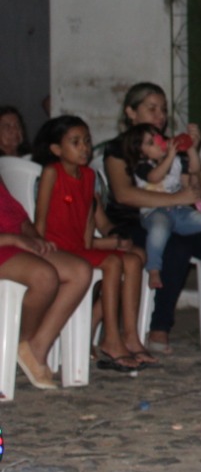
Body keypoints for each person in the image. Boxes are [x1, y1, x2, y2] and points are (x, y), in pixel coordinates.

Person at [100, 82, 201, 352]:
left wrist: (193, 149)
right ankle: (159, 326)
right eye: (152, 108)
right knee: (176, 247)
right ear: (131, 112)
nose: (160, 116)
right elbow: (125, 194)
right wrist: (176, 199)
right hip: (134, 221)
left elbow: (195, 187)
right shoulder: (118, 149)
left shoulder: (170, 146)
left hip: (176, 216)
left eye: (163, 109)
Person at [33, 115, 155, 372]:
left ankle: (130, 336)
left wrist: (112, 241)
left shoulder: (89, 177)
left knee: (133, 260)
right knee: (112, 263)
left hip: (78, 248)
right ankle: (110, 338)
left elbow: (87, 230)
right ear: (56, 149)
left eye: (87, 141)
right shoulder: (52, 173)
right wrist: (38, 249)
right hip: (57, 249)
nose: (84, 148)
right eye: (75, 142)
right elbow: (40, 221)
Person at [119, 123, 201, 290]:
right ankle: (154, 268)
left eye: (158, 137)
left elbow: (194, 170)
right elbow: (154, 177)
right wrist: (170, 155)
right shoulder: (142, 165)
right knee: (158, 231)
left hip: (179, 210)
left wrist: (191, 148)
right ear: (141, 152)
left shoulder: (176, 161)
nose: (158, 142)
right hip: (155, 212)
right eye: (150, 142)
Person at [0, 177, 93, 388]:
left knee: (79, 271)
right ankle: (16, 341)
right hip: (5, 243)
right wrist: (13, 239)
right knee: (44, 276)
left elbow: (19, 218)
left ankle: (36, 347)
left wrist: (35, 238)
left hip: (14, 242)